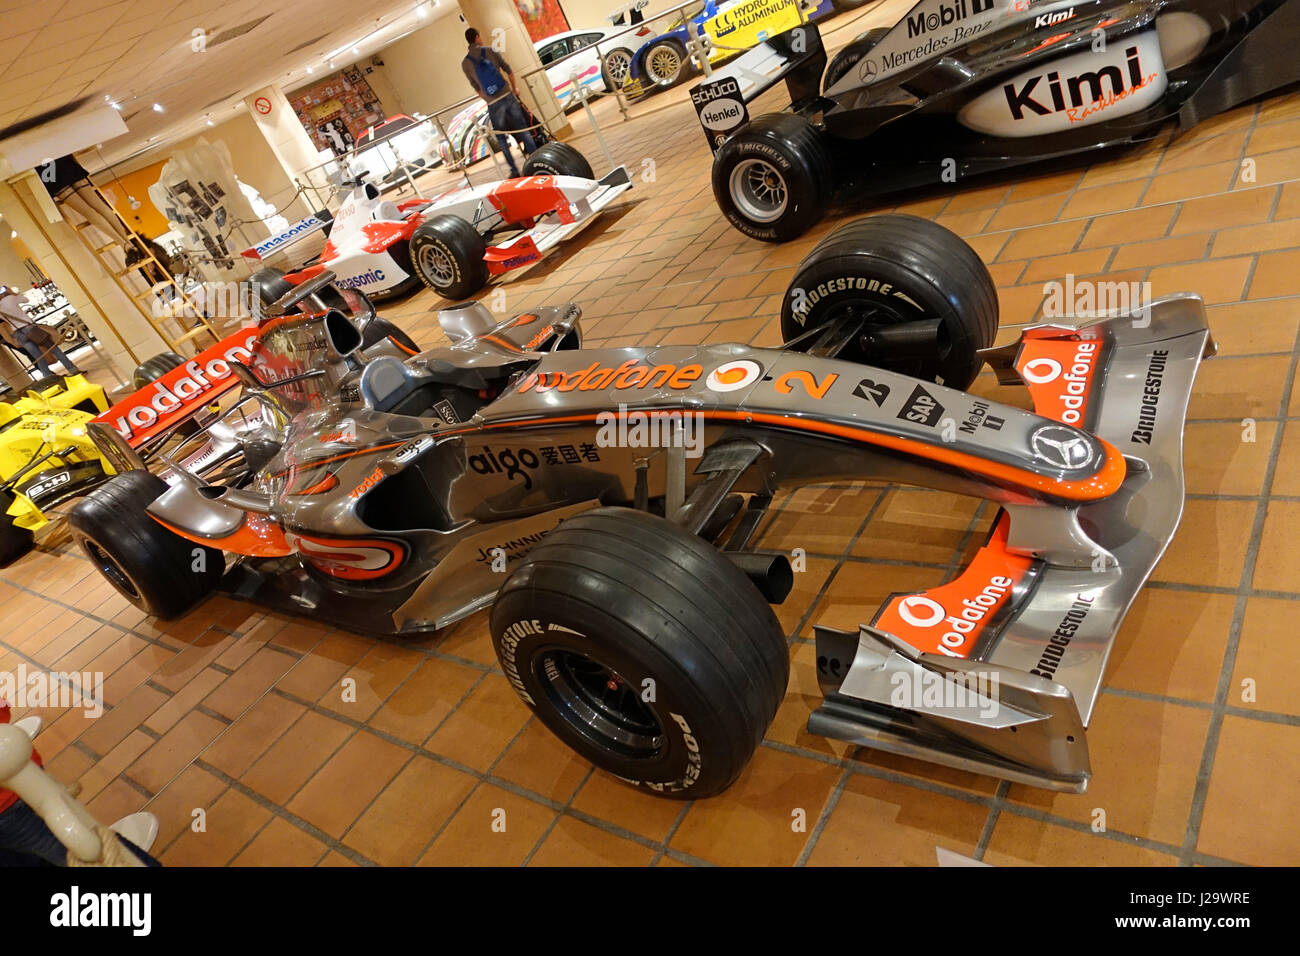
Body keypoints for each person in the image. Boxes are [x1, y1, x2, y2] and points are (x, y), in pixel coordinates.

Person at [462, 27, 538, 177]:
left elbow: (476, 87)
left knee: (502, 139)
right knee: (522, 129)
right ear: (477, 37)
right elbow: (508, 70)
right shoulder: (490, 50)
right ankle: (536, 161)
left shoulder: (465, 64)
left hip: (493, 103)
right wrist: (514, 88)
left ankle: (514, 170)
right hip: (507, 95)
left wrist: (488, 99)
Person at [0, 285, 82, 378]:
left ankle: (48, 378)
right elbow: (26, 300)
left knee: (39, 358)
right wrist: (13, 293)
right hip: (30, 328)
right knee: (55, 350)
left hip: (18, 334)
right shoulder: (11, 298)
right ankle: (73, 370)